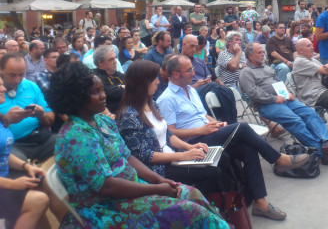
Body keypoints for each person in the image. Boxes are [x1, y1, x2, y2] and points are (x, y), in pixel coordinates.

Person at [46, 62, 229, 228]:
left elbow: (127, 156)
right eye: (95, 92)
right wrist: (157, 188)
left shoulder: (103, 121)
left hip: (132, 188)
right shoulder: (76, 136)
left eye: (102, 90)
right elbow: (106, 186)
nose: (103, 96)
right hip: (105, 207)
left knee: (192, 194)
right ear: (76, 97)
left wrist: (159, 180)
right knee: (190, 211)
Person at [158, 55, 310, 221]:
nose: (194, 72)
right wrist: (202, 129)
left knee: (248, 149)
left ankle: (261, 203)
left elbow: (203, 115)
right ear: (175, 74)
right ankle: (278, 159)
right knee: (242, 127)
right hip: (195, 144)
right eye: (189, 70)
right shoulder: (166, 99)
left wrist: (216, 123)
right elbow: (171, 132)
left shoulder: (192, 90)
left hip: (209, 134)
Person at [117, 60, 224, 197]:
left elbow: (168, 134)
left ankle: (222, 202)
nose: (157, 82)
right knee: (212, 173)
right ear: (141, 83)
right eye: (153, 79)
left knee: (223, 158)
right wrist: (182, 155)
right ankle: (194, 206)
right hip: (158, 169)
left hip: (172, 157)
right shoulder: (129, 117)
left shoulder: (152, 104)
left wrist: (189, 147)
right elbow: (144, 155)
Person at [240, 43, 328, 163]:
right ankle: (321, 152)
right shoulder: (246, 73)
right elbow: (252, 93)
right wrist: (273, 99)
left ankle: (327, 142)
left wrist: (287, 92)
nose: (263, 54)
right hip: (267, 105)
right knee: (295, 120)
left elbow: (278, 82)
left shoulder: (267, 68)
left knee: (309, 113)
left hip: (284, 99)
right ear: (250, 56)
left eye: (263, 52)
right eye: (259, 52)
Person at [0, 95, 49, 229]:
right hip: (5, 183)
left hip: (4, 179)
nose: (4, 89)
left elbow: (3, 152)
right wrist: (12, 184)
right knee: (38, 201)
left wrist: (26, 167)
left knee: (42, 180)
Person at [0, 53, 56, 162]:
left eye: (21, 74)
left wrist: (41, 116)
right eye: (12, 75)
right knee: (18, 164)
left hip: (40, 137)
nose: (17, 80)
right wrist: (6, 120)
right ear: (1, 70)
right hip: (13, 144)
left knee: (68, 144)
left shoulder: (31, 86)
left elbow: (50, 119)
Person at [182, 35, 237, 124]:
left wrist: (206, 81)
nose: (194, 50)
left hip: (207, 89)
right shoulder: (178, 63)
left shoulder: (199, 61)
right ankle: (231, 123)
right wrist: (196, 85)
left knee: (226, 91)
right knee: (218, 88)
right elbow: (178, 88)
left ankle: (229, 123)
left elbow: (209, 77)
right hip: (191, 92)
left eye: (195, 47)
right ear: (183, 45)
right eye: (191, 46)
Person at [93, 46, 125, 114]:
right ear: (100, 63)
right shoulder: (95, 78)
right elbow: (108, 92)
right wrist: (122, 87)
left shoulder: (120, 75)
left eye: (115, 58)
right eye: (111, 59)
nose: (115, 61)